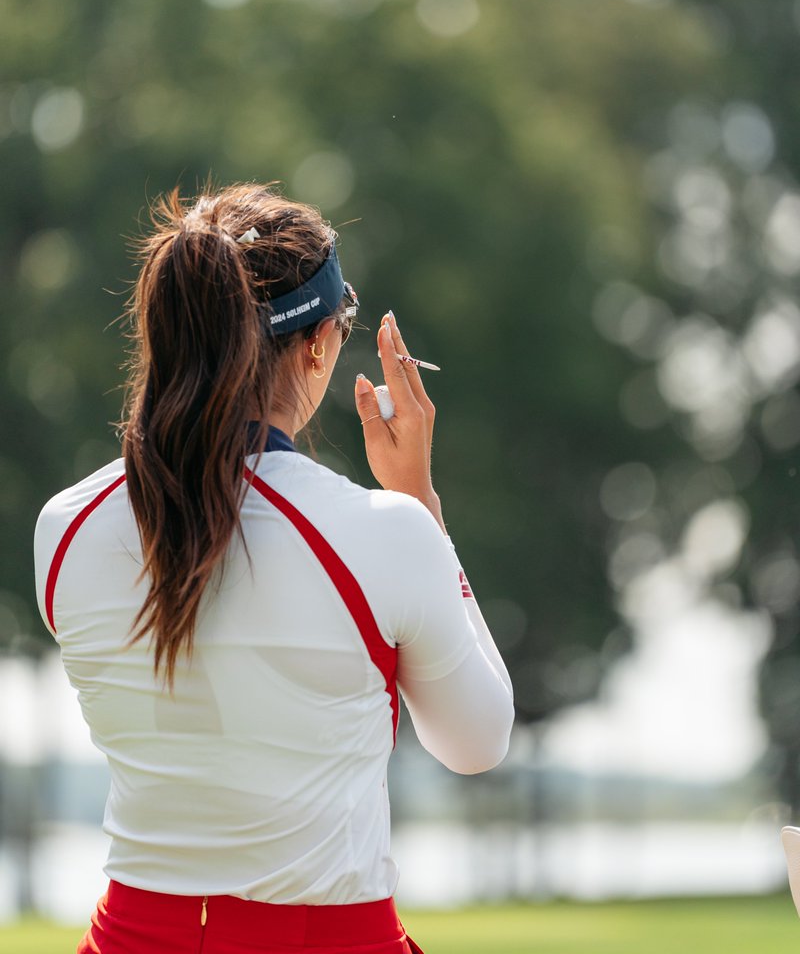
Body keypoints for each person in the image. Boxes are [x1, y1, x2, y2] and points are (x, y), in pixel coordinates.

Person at [34, 183, 515, 954]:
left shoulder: (62, 528)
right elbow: (477, 742)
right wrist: (422, 500)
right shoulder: (385, 530)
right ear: (320, 343)